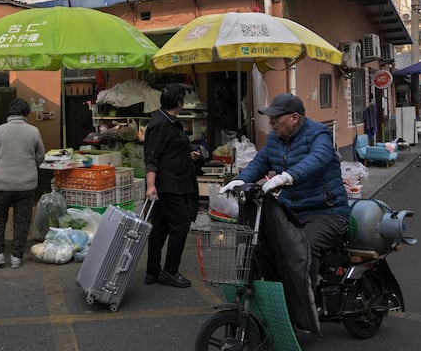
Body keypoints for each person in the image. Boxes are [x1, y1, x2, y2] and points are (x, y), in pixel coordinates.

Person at [220, 93, 350, 291]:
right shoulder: (275, 139)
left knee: (303, 247)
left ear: (294, 118)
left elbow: (319, 158)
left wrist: (288, 176)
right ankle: (277, 294)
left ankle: (306, 301)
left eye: (275, 118)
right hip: (291, 212)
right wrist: (240, 179)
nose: (271, 123)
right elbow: (260, 163)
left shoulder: (319, 134)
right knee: (262, 243)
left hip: (326, 212)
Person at [144, 83, 202, 288]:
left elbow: (170, 151)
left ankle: (152, 272)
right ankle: (170, 271)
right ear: (179, 102)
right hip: (168, 184)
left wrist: (190, 154)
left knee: (160, 227)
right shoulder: (160, 123)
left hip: (175, 181)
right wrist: (150, 185)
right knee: (181, 224)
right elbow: (152, 155)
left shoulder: (169, 121)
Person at [0, 98, 45, 268]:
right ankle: (16, 257)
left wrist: (2, 164)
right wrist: (30, 164)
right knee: (22, 220)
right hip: (26, 184)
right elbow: (41, 156)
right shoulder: (33, 131)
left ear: (10, 112)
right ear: (26, 113)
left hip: (2, 183)